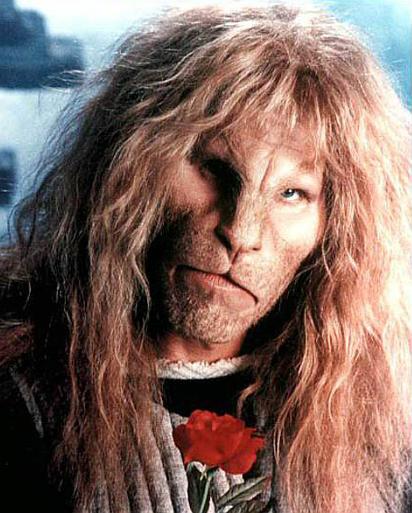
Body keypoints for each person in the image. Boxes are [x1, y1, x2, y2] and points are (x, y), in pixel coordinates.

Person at [0, 2, 411, 513]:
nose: (241, 232)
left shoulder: (378, 422)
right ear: (130, 164)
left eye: (292, 194)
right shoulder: (17, 394)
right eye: (215, 169)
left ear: (335, 229)